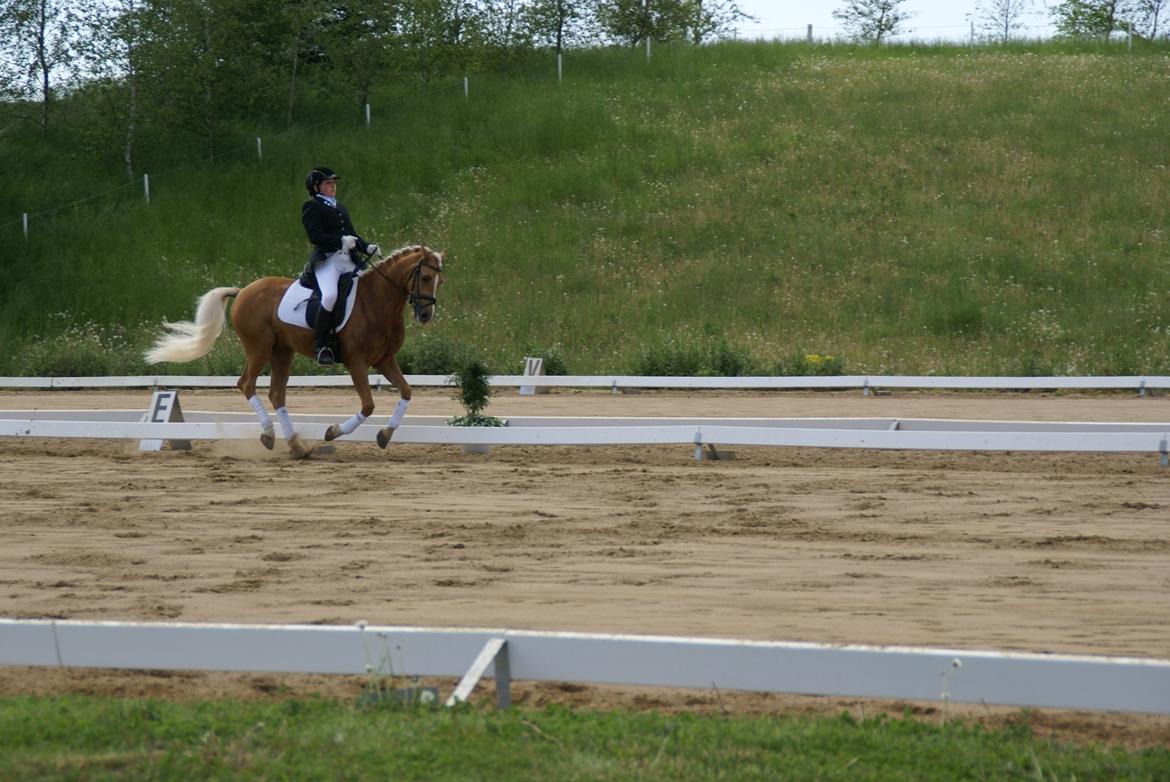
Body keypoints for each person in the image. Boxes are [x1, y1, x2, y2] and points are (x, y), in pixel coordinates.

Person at [302, 166, 379, 365]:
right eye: (328, 183)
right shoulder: (312, 206)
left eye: (333, 182)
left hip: (348, 260)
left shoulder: (340, 207)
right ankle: (321, 345)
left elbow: (352, 234)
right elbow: (315, 236)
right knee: (330, 296)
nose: (333, 185)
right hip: (328, 261)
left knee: (370, 291)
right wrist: (340, 241)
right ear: (317, 187)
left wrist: (366, 246)